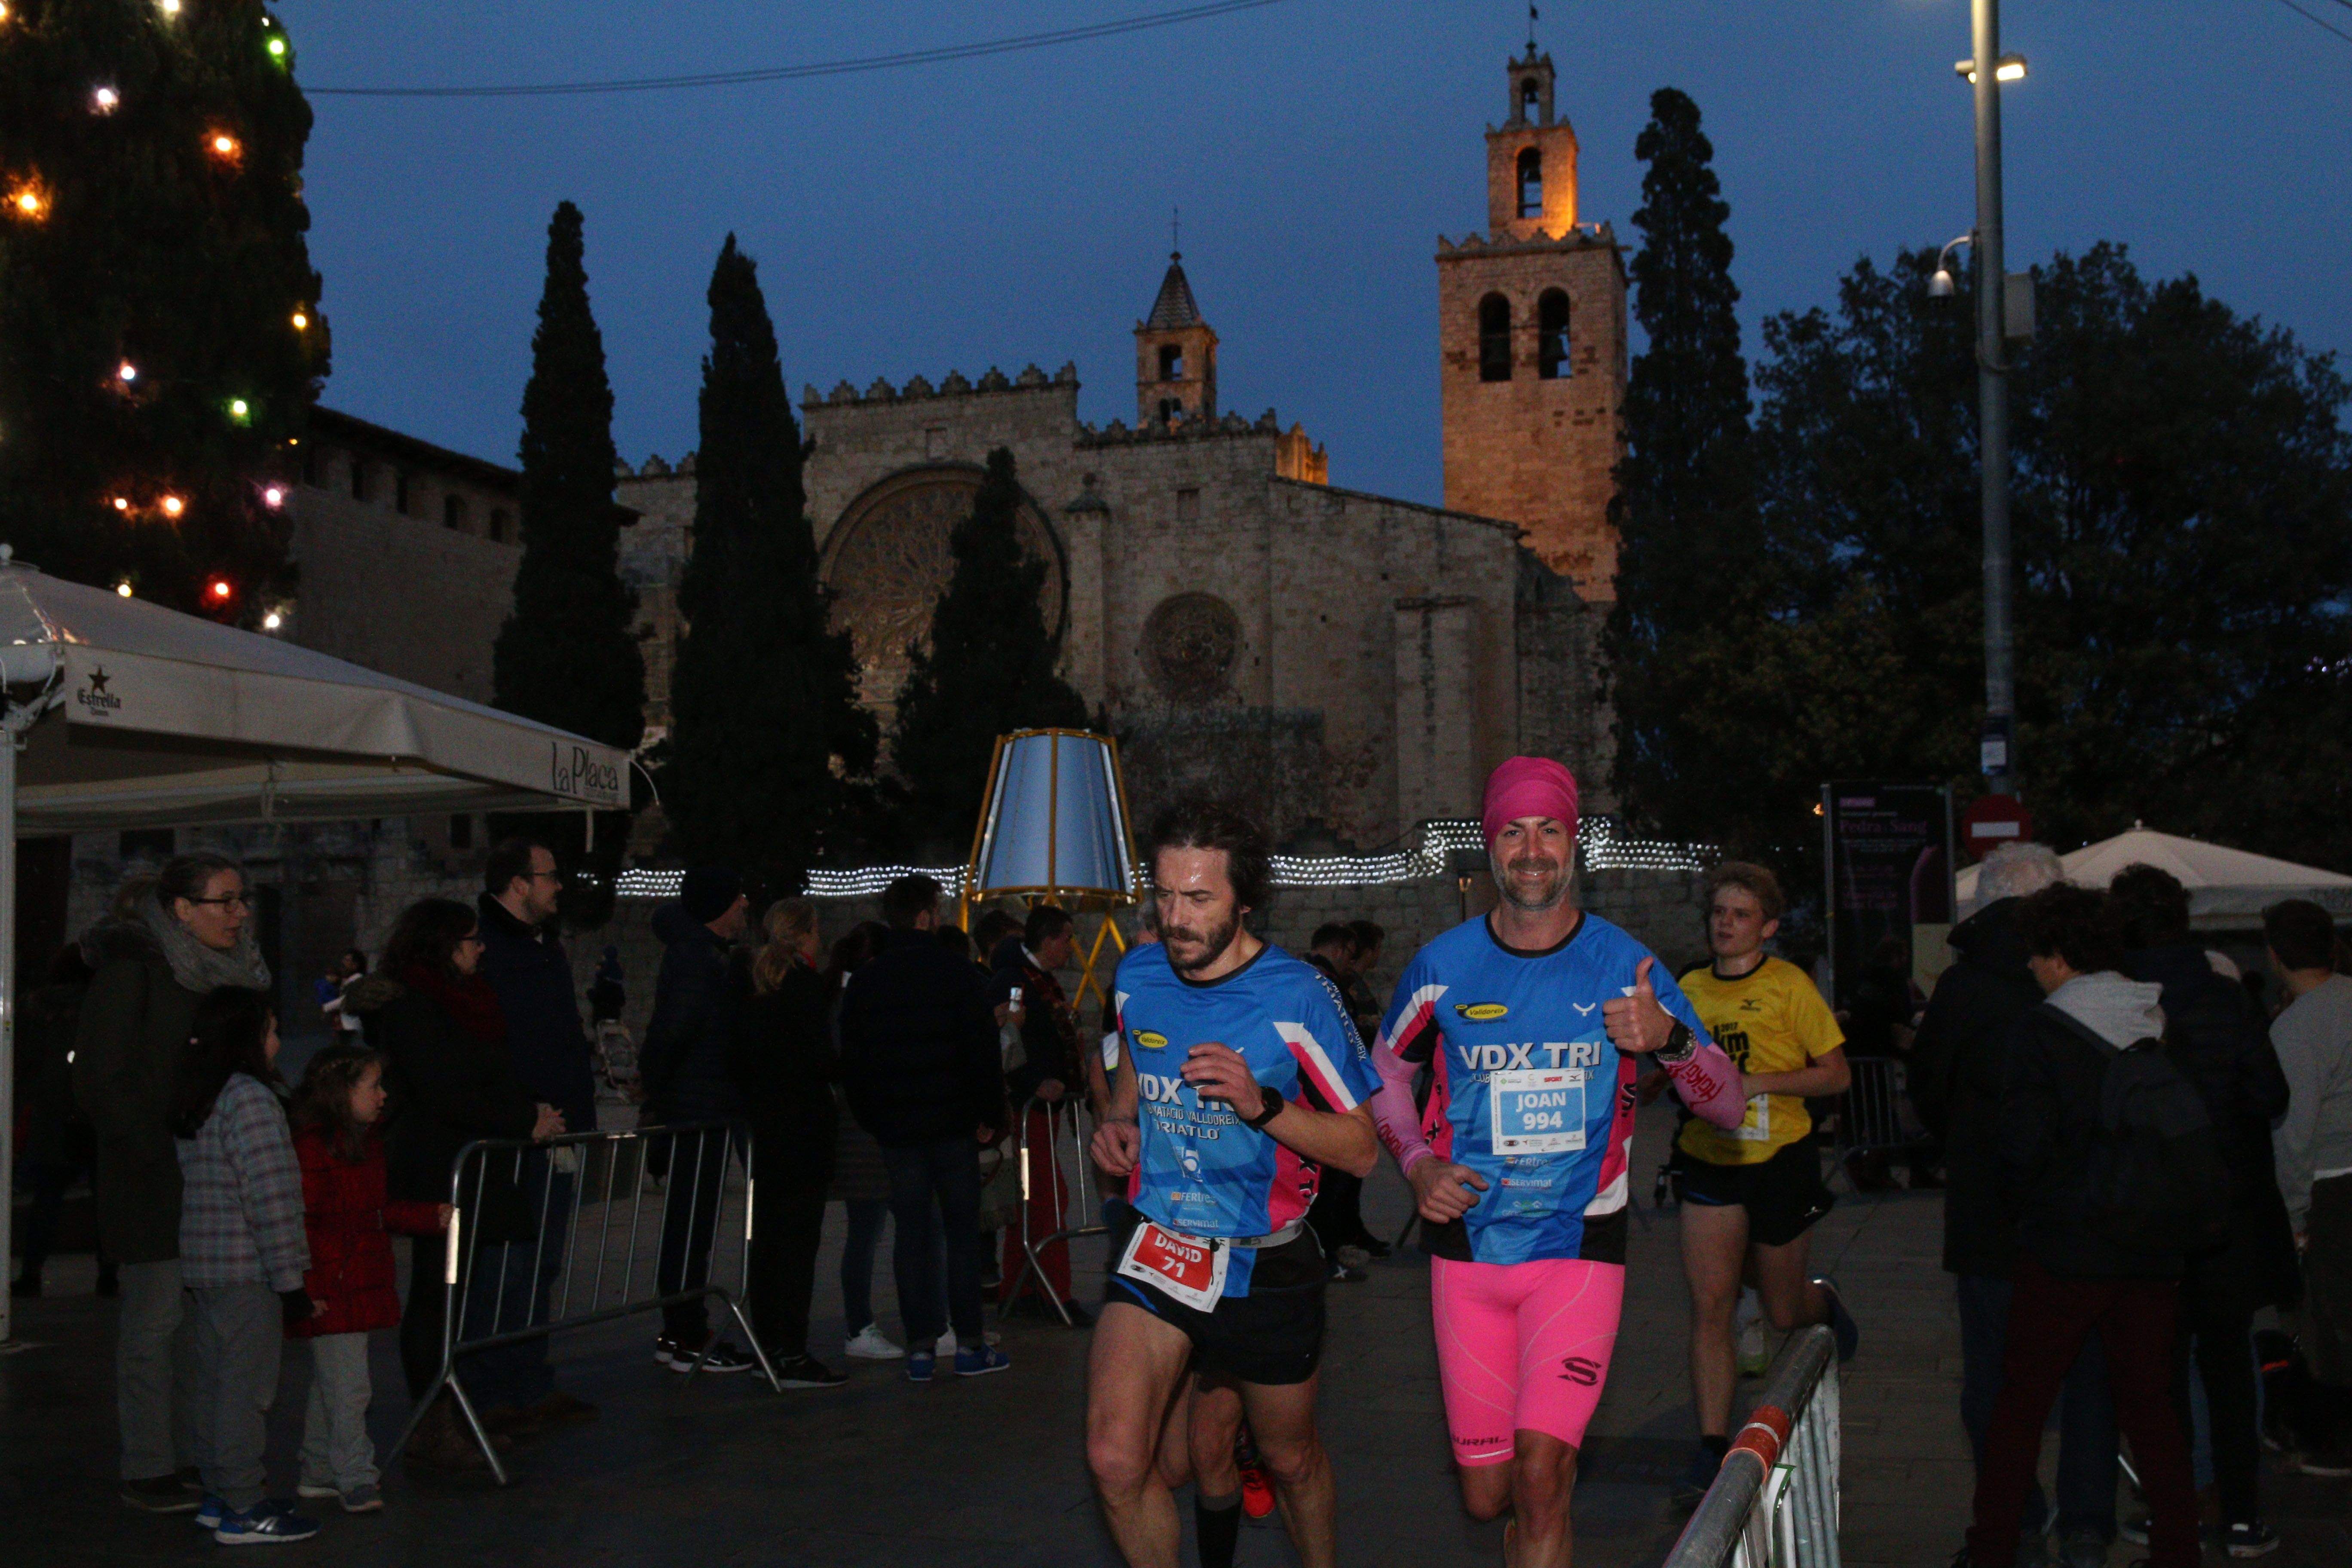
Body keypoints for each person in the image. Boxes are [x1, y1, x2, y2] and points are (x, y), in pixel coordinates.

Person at [1368, 758, 1745, 1568]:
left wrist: (1669, 1040)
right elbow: (1387, 1076)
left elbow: (1729, 1105)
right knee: (1489, 1493)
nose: (1532, 849)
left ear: (1573, 843)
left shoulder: (1627, 966)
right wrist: (1416, 1165)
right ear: (1489, 845)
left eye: (1549, 829)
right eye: (1513, 830)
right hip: (1467, 1253)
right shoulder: (1441, 967)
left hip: (1577, 1249)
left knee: (1543, 1475)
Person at [1085, 799, 1381, 1568]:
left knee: (1288, 1459)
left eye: (1199, 898)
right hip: (1161, 1244)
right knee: (1117, 1459)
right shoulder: (1138, 972)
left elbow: (1361, 1149)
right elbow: (1128, 1064)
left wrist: (1263, 1104)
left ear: (1244, 899)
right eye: (1165, 894)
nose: (1175, 918)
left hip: (1266, 1261)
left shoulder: (1299, 995)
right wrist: (1120, 1118)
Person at [1963, 883, 2199, 1568]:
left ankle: (1994, 1546)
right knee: (2150, 1404)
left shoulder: (2043, 1031)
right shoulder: (2156, 1017)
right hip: (2151, 1245)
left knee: (2021, 1404)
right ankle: (2179, 1548)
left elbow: (2023, 1147)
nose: (2031, 968)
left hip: (2066, 1245)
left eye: (2036, 954)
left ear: (2058, 956)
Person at [1911, 842, 2117, 1568]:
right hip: (2084, 1210)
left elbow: (1927, 1084)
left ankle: (2015, 1521)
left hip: (1988, 1207)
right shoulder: (2096, 978)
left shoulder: (1965, 985)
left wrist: (1963, 1140)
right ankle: (2088, 1523)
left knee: (1994, 1376)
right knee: (2089, 1370)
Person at [74, 852, 272, 1513]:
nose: (241, 914)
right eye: (226, 901)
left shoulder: (228, 979)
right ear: (182, 911)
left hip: (212, 1183)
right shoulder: (135, 973)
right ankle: (150, 1463)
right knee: (155, 1325)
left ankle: (194, 1452)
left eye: (243, 899)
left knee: (204, 1329)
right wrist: (157, 1149)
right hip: (154, 1181)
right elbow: (103, 1081)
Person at [2109, 864, 2292, 1558]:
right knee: (2227, 1364)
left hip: (2148, 1214)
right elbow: (2269, 1095)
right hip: (2227, 1208)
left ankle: (2173, 1508)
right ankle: (2242, 1514)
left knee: (2159, 1368)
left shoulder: (2113, 999)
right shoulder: (2224, 998)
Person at [1667, 861, 1860, 1506]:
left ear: (1768, 927)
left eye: (1741, 914)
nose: (1726, 923)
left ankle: (1822, 1304)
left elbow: (1835, 1076)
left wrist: (1756, 1084)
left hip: (1780, 1159)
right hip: (1709, 1158)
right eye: (1719, 912)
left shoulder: (1789, 986)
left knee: (1782, 1310)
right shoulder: (1688, 987)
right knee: (1711, 1305)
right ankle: (1712, 1445)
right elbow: (1672, 1062)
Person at [348, 896, 562, 1473]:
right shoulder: (415, 1005)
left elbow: (487, 1071)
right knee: (437, 1292)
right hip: (439, 1164)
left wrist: (529, 1111)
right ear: (440, 944)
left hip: (473, 1160)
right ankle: (433, 1416)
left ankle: (454, 1406)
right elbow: (444, 1086)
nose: (480, 947)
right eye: (469, 938)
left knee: (457, 1291)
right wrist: (524, 1120)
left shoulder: (466, 999)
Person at [840, 874, 1010, 1381]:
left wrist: (876, 1118)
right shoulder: (955, 974)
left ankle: (919, 1345)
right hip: (952, 1125)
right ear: (925, 916)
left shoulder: (868, 980)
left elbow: (854, 1061)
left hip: (897, 1129)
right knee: (960, 1233)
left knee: (911, 1235)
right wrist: (989, 1116)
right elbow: (980, 1052)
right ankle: (969, 1343)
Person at [171, 987, 318, 1545]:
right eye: (273, 1029)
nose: (279, 1040)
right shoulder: (252, 1100)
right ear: (249, 1040)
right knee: (245, 1391)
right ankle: (243, 1506)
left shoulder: (202, 1095)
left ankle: (219, 1492)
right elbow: (273, 1200)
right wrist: (291, 1282)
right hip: (245, 1271)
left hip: (205, 1266)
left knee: (212, 1386)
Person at [286, 1043, 451, 1514]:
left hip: (350, 1278)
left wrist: (426, 1217)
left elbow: (375, 1212)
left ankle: (319, 1469)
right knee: (349, 1385)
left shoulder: (361, 1144)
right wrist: (308, 1287)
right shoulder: (316, 1149)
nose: (383, 1096)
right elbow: (305, 1222)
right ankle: (355, 1475)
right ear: (341, 1093)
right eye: (373, 1086)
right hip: (333, 1284)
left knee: (334, 1382)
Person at [472, 837, 600, 1427]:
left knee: (542, 1264)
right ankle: (492, 1392)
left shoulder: (542, 948)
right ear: (519, 884)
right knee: (506, 1269)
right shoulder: (488, 950)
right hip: (518, 1136)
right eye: (549, 875)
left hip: (558, 1130)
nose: (558, 886)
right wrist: (524, 1112)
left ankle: (529, 1380)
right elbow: (497, 1047)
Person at [640, 866, 760, 1375]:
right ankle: (686, 1332)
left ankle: (684, 1329)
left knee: (693, 1223)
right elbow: (675, 1031)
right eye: (738, 900)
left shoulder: (703, 955)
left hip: (701, 1104)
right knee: (691, 1223)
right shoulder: (697, 959)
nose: (745, 907)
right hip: (698, 1109)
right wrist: (659, 1086)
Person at [729, 898, 849, 1387]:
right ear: (802, 936)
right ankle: (792, 1352)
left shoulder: (752, 984)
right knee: (797, 1246)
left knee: (770, 1245)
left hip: (766, 1129)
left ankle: (768, 1343)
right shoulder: (801, 987)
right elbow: (820, 1060)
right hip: (802, 1130)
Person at [2265, 897, 2352, 1475]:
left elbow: (2293, 1130)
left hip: (2330, 1183)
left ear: (2276, 954)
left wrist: (2293, 1213)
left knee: (2331, 1321)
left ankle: (2338, 1442)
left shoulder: (2299, 1024)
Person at [994, 902, 1094, 1323]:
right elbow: (1006, 1042)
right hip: (1027, 1109)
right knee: (1048, 1199)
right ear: (1050, 940)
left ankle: (1022, 1288)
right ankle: (1055, 1293)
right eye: (1067, 938)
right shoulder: (1016, 982)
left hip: (1043, 1108)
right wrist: (1034, 1081)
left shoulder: (1036, 980)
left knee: (1032, 1199)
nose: (1071, 948)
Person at [824, 920, 905, 1362]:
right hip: (863, 1131)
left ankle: (872, 1322)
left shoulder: (852, 997)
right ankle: (858, 1325)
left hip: (870, 1126)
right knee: (865, 1231)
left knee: (879, 1228)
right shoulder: (851, 1001)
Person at [1302, 921, 1386, 1280]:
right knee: (1331, 1180)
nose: (1355, 965)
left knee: (1338, 1180)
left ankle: (1338, 1240)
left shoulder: (1309, 979)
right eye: (1351, 956)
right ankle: (1326, 1250)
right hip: (1329, 1097)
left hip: (1322, 1094)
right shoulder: (1324, 984)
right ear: (1336, 950)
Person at [320, 950, 368, 1039]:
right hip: (345, 1024)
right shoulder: (348, 979)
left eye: (347, 960)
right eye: (344, 959)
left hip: (351, 1025)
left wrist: (326, 1007)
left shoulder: (357, 979)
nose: (344, 963)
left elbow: (346, 999)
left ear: (356, 964)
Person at [589, 946, 625, 1026]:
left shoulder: (603, 981)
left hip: (602, 1016)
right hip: (615, 1016)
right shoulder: (618, 978)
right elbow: (622, 1000)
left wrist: (590, 993)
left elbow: (597, 997)